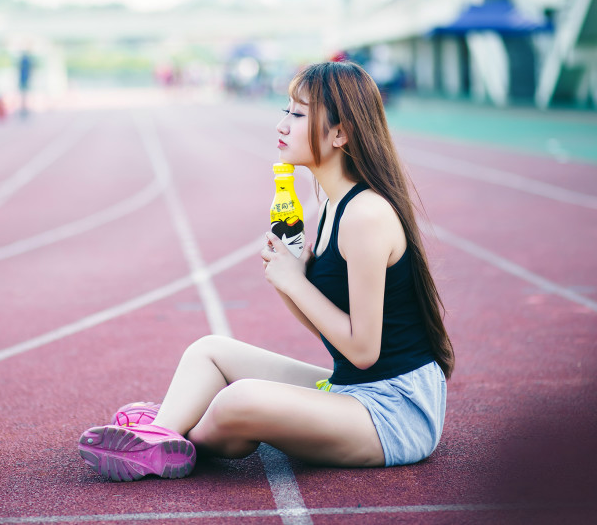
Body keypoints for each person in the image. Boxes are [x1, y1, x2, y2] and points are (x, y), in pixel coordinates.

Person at [78, 61, 455, 481]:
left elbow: (363, 350)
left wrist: (295, 280)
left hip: (393, 411)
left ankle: (170, 436)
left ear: (340, 133)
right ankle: (166, 427)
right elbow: (329, 331)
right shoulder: (331, 205)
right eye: (286, 110)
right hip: (353, 388)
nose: (282, 124)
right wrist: (286, 280)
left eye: (298, 114)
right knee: (209, 349)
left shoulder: (365, 216)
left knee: (239, 400)